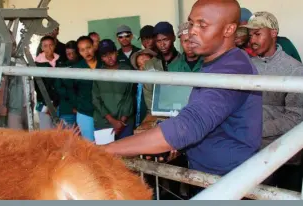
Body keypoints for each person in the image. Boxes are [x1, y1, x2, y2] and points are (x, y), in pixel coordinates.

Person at [101, 0, 263, 196]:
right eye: (191, 23)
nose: (192, 31)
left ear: (229, 29)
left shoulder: (233, 69)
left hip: (230, 181)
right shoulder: (216, 62)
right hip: (209, 173)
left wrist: (106, 151)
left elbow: (188, 126)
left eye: (202, 25)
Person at [241, 12, 303, 190]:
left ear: (274, 33)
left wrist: (256, 128)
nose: (252, 39)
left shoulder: (294, 69)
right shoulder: (247, 64)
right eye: (250, 34)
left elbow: (296, 118)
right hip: (251, 149)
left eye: (257, 34)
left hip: (284, 154)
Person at [92, 39, 135, 140]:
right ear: (101, 58)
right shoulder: (97, 73)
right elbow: (96, 100)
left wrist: (121, 122)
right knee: (105, 155)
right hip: (104, 123)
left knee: (126, 154)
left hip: (125, 122)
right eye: (104, 55)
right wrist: (113, 121)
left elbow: (129, 97)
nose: (109, 58)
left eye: (111, 53)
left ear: (116, 52)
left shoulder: (126, 70)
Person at [142, 21, 181, 115]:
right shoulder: (149, 65)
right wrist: (158, 113)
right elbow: (148, 95)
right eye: (158, 41)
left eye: (165, 39)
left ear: (173, 38)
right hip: (157, 114)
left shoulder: (183, 62)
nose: (162, 44)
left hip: (181, 113)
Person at [73, 36, 103, 142]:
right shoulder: (76, 68)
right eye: (82, 50)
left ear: (94, 46)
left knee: (106, 146)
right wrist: (76, 106)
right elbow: (71, 90)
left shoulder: (103, 64)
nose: (87, 52)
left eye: (88, 47)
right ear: (79, 52)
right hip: (85, 112)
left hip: (105, 113)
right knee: (89, 146)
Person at [34, 35, 65, 130]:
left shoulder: (61, 61)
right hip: (44, 103)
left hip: (60, 103)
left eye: (51, 45)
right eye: (45, 46)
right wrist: (48, 106)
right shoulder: (36, 64)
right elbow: (37, 87)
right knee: (46, 131)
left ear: (54, 46)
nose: (48, 48)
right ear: (42, 48)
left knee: (60, 132)